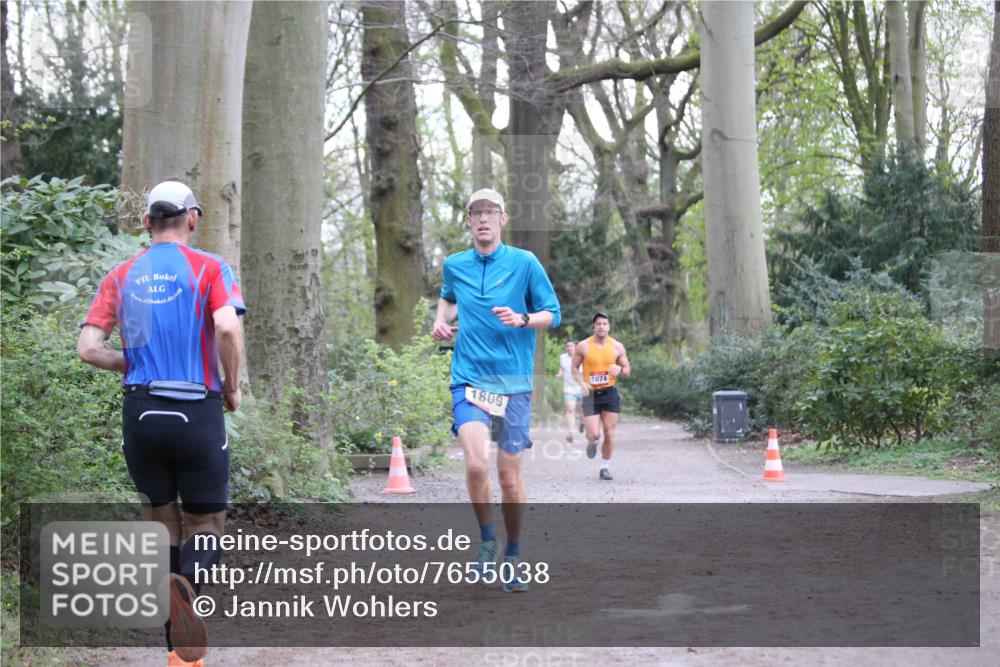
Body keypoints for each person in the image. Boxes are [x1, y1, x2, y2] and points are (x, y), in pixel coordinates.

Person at [77, 181, 245, 666]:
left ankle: (177, 650)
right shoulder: (211, 267)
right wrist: (230, 385)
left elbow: (88, 348)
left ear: (147, 222)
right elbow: (228, 326)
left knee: (160, 521)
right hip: (197, 410)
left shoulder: (122, 274)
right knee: (207, 520)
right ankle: (187, 589)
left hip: (142, 412)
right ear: (192, 219)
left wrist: (129, 363)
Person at [432, 187, 560, 593]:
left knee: (507, 478)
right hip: (468, 377)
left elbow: (552, 315)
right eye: (476, 213)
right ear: (468, 221)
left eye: (492, 212)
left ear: (503, 219)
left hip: (514, 383)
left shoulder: (524, 263)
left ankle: (514, 554)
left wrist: (523, 319)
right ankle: (487, 541)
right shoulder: (455, 264)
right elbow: (448, 297)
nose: (484, 219)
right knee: (474, 465)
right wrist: (440, 321)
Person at [572, 312, 630, 481]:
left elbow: (627, 370)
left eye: (604, 323)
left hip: (610, 393)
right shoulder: (583, 346)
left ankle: (604, 467)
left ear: (609, 326)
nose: (601, 327)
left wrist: (620, 370)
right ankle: (591, 443)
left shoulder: (617, 347)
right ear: (593, 327)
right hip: (590, 394)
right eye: (598, 324)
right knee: (594, 435)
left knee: (610, 433)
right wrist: (581, 383)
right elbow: (574, 369)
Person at [556, 340, 583, 442]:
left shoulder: (581, 357)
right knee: (570, 409)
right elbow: (562, 369)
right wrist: (559, 374)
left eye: (571, 346)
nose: (569, 348)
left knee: (582, 411)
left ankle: (582, 423)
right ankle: (571, 432)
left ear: (575, 347)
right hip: (569, 389)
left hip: (581, 388)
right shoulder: (563, 357)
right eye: (567, 346)